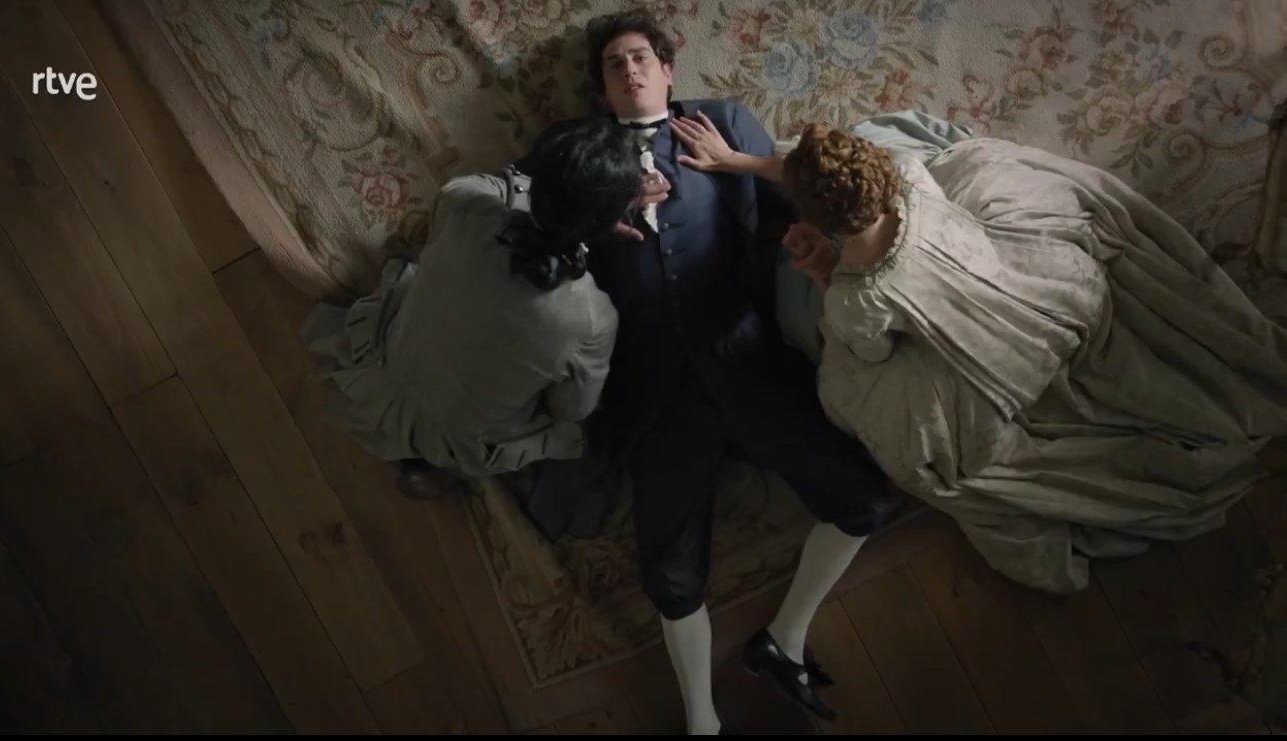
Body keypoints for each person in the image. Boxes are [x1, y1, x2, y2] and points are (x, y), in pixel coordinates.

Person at [672, 114, 1287, 593]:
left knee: (846, 389)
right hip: (1041, 291)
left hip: (994, 365)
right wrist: (742, 162)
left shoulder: (862, 298)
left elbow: (868, 351)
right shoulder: (909, 180)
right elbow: (846, 177)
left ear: (822, 220)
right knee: (923, 148)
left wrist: (823, 272)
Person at [512, 9, 899, 733]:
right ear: (601, 87)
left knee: (866, 502)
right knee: (669, 574)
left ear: (667, 69)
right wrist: (600, 210)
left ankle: (784, 639)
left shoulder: (722, 121)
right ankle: (702, 722)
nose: (629, 69)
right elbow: (523, 223)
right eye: (613, 64)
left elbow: (797, 202)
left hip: (745, 357)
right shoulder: (572, 147)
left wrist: (755, 188)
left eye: (640, 57)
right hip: (654, 386)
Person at [301, 118, 639, 497]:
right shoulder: (593, 318)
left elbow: (483, 185)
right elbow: (570, 410)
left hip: (394, 370)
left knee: (416, 280)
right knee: (576, 420)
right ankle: (447, 467)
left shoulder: (468, 207)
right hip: (460, 432)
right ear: (612, 221)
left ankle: (422, 451)